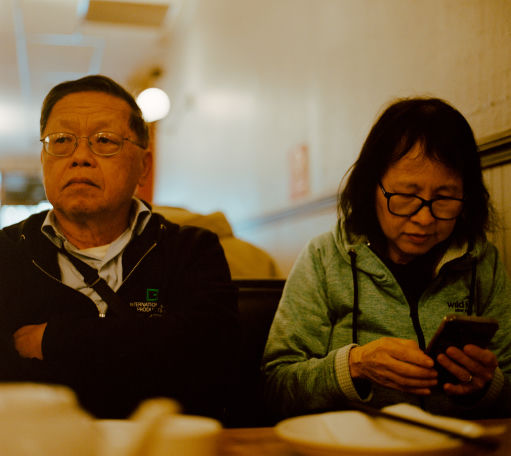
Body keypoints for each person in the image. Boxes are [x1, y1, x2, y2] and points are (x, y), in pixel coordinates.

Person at [0, 75, 239, 420]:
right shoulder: (7, 253)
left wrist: (54, 340)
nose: (80, 157)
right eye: (62, 140)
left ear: (143, 166)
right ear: (43, 158)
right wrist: (148, 348)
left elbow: (213, 364)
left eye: (104, 140)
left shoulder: (191, 250)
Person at [262, 97, 511, 420]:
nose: (424, 218)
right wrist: (354, 366)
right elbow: (275, 387)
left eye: (445, 198)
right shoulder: (323, 259)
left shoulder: (482, 262)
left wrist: (484, 386)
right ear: (371, 187)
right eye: (406, 196)